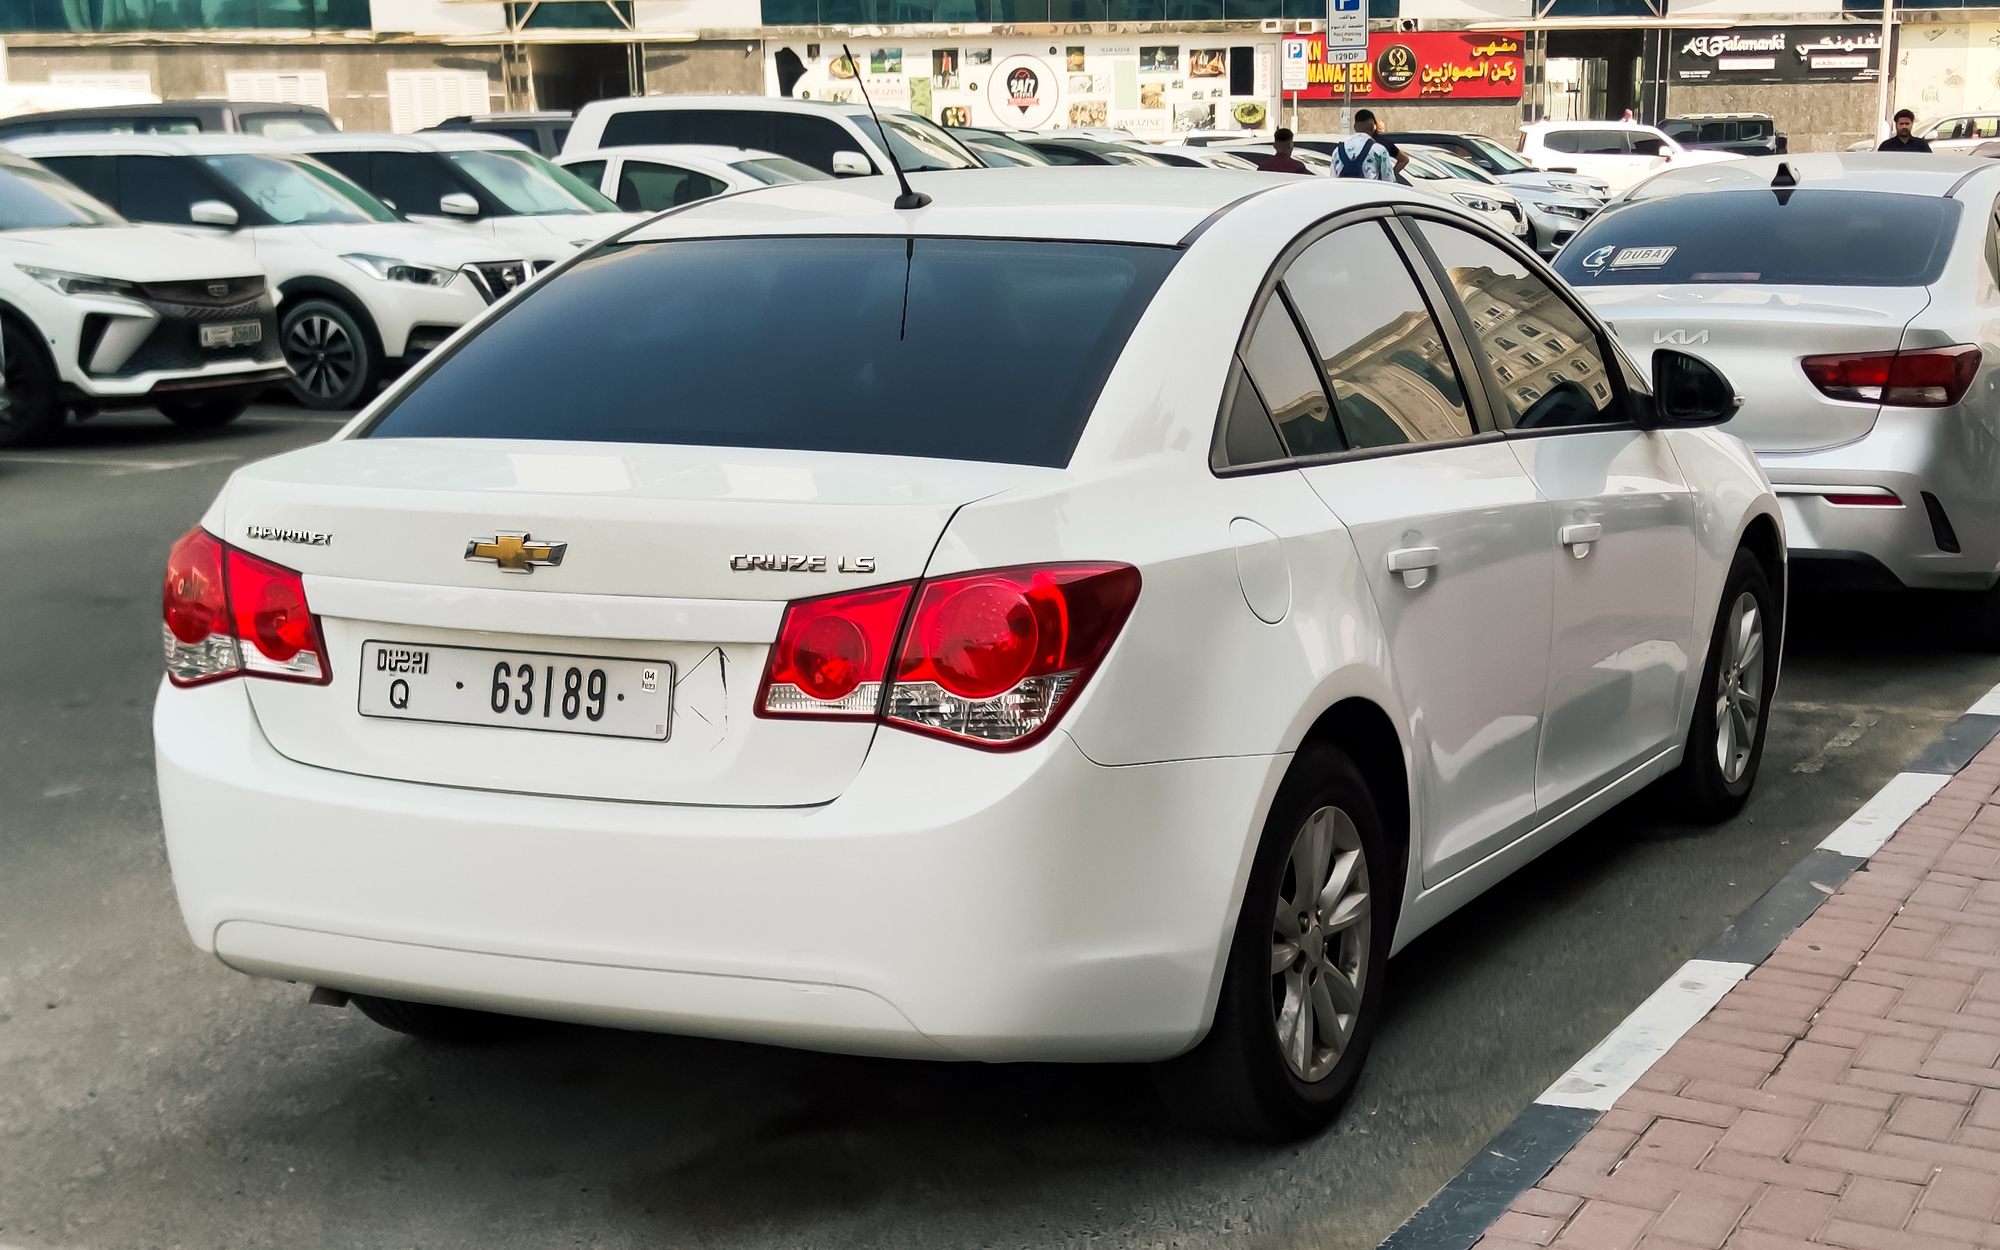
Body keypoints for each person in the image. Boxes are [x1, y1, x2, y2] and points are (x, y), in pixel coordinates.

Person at [1334, 110, 1407, 180]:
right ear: (1373, 127)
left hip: (1344, 192)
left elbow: (1332, 180)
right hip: (1371, 192)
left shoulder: (1338, 151)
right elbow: (1389, 181)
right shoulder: (1379, 150)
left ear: (1355, 127)